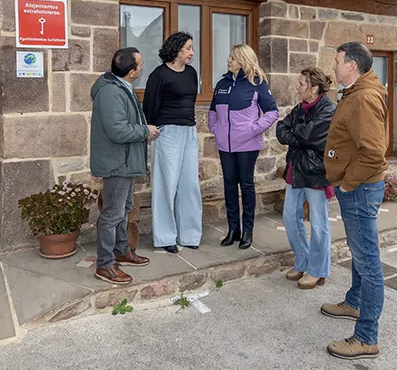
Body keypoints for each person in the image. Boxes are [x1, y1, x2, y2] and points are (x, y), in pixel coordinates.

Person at [321, 42, 388, 360]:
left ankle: (366, 338)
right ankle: (355, 302)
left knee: (368, 261)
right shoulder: (354, 93)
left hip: (359, 189)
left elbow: (373, 153)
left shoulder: (363, 98)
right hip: (357, 187)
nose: (333, 65)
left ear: (351, 65)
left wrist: (347, 184)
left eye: (336, 60)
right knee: (360, 252)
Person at [90, 47, 159, 285]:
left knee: (124, 208)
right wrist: (145, 131)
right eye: (140, 65)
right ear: (131, 72)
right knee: (112, 214)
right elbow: (117, 131)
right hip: (117, 163)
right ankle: (105, 264)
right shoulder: (111, 93)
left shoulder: (121, 87)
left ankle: (121, 251)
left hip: (125, 161)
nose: (142, 67)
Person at [208, 44, 278, 249]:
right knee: (229, 185)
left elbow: (272, 111)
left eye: (232, 57)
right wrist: (215, 128)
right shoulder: (222, 83)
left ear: (242, 60)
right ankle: (233, 230)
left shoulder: (257, 83)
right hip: (225, 145)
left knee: (246, 185)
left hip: (248, 145)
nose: (228, 60)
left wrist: (254, 129)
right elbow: (212, 111)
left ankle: (248, 231)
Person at [276, 67, 335, 289]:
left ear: (314, 88)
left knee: (319, 224)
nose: (297, 87)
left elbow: (309, 136)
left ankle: (318, 270)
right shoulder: (300, 108)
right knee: (290, 217)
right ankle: (303, 261)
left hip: (316, 173)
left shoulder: (328, 110)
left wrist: (297, 134)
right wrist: (298, 136)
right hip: (296, 169)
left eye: (301, 84)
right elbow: (281, 128)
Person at [143, 32, 202, 254]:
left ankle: (190, 234)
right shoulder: (159, 74)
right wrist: (152, 129)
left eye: (192, 48)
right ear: (176, 50)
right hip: (167, 133)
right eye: (188, 48)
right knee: (166, 185)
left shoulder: (191, 73)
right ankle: (165, 237)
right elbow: (149, 106)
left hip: (189, 131)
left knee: (190, 184)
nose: (191, 52)